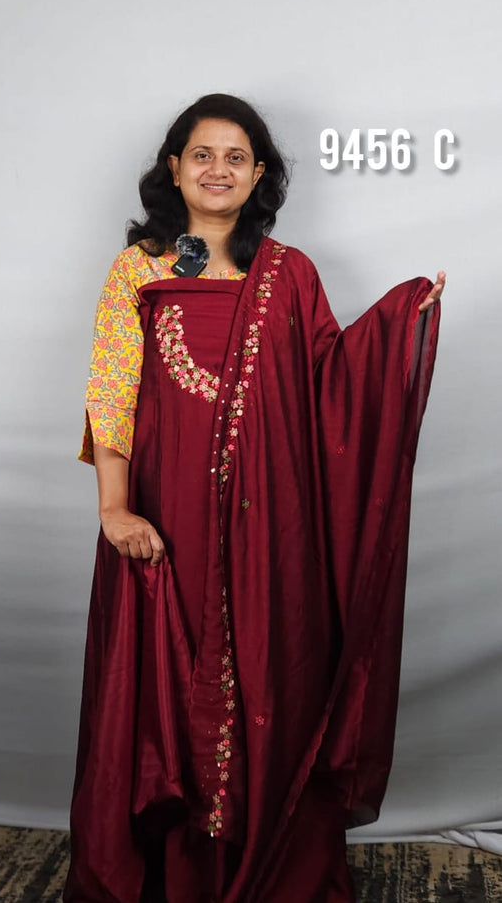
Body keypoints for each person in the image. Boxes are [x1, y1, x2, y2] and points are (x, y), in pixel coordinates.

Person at [63, 93, 444, 903]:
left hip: (272, 529)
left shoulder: (289, 274)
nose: (218, 170)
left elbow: (330, 385)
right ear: (174, 168)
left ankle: (262, 862)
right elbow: (111, 395)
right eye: (202, 154)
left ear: (258, 174)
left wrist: (395, 327)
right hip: (164, 525)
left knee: (272, 679)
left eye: (236, 157)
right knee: (163, 700)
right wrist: (114, 509)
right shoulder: (140, 270)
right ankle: (172, 873)